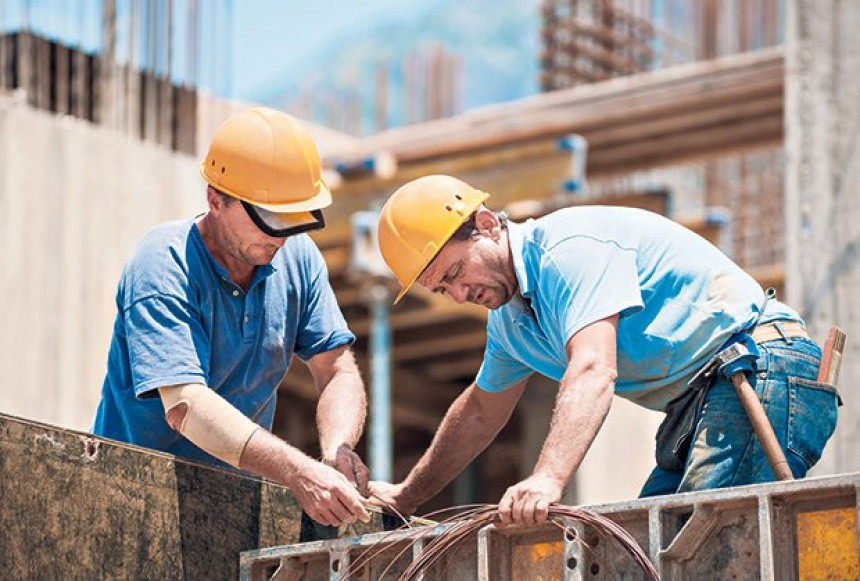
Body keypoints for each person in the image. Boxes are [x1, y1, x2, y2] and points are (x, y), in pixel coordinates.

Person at [369, 174, 839, 527]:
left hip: (762, 370)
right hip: (705, 401)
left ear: (487, 226)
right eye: (441, 289)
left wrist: (547, 478)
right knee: (645, 548)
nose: (457, 294)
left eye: (455, 272)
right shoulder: (511, 323)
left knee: (702, 543)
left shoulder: (569, 250)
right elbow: (478, 413)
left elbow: (593, 369)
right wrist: (407, 498)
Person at [92, 107, 370, 527]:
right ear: (215, 200)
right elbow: (186, 405)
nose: (280, 236)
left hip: (232, 504)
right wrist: (297, 470)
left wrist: (337, 450)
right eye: (269, 219)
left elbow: (337, 371)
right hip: (131, 499)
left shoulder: (298, 258)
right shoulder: (163, 264)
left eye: (293, 219)